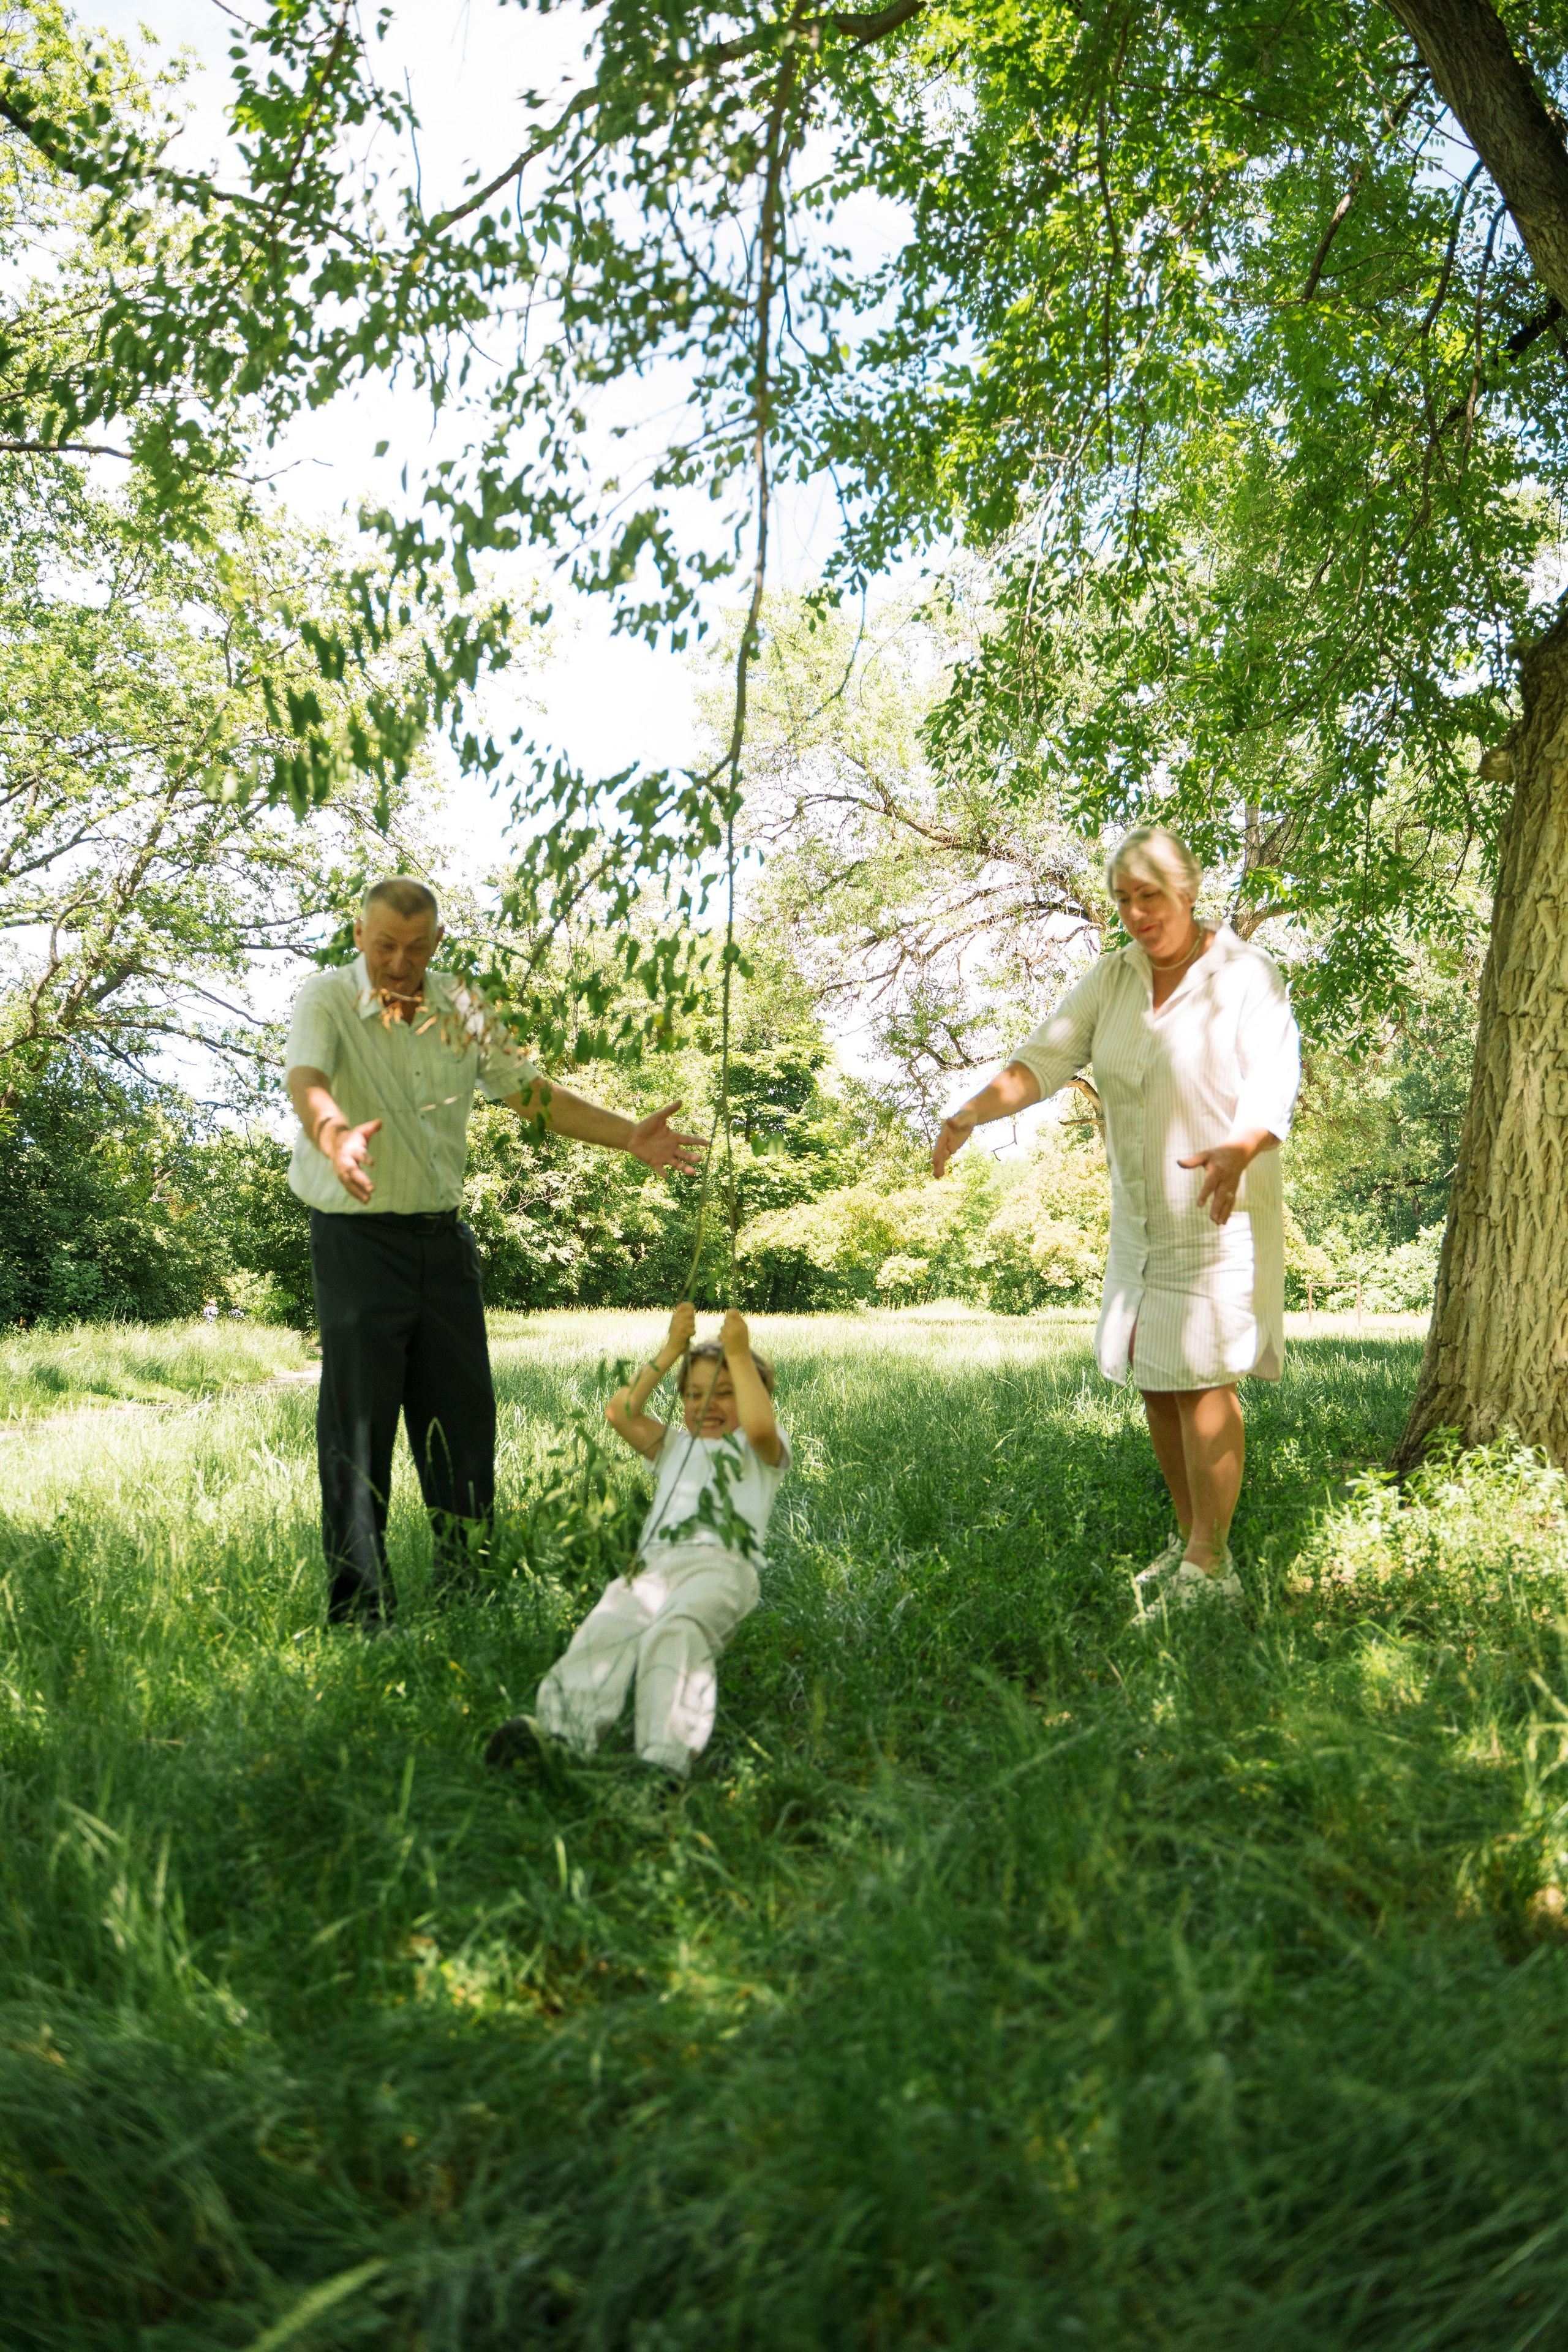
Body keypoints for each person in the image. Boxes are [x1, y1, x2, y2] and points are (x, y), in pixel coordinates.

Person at [285, 877, 705, 1626]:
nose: (399, 962)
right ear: (359, 937)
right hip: (355, 1239)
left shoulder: (465, 1006)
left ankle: (467, 1589)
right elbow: (308, 1079)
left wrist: (628, 1136)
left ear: (437, 943)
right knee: (358, 1426)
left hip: (442, 1242)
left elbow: (530, 1095)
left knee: (464, 1420)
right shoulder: (325, 998)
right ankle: (361, 1609)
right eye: (384, 946)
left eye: (416, 948)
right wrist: (333, 1133)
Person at [933, 826, 1300, 1608]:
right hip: (1140, 1215)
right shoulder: (1113, 977)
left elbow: (1273, 1084)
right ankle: (1188, 1540)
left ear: (1188, 892)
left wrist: (1238, 1148)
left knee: (1203, 1380)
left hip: (1217, 1210)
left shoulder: (1246, 975)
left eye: (1150, 896)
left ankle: (1212, 1566)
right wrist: (969, 1113)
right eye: (1124, 900)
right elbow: (1041, 1062)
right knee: (1156, 1378)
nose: (1136, 914)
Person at [486, 1302, 788, 1778]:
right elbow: (620, 1412)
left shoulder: (758, 1449)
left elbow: (760, 1424)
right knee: (608, 1627)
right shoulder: (672, 1446)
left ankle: (663, 1762)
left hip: (722, 1567)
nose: (705, 1405)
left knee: (678, 1631)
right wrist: (671, 1349)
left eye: (725, 1393)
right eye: (693, 1395)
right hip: (654, 1568)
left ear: (755, 1395)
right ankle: (562, 1736)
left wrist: (738, 1352)